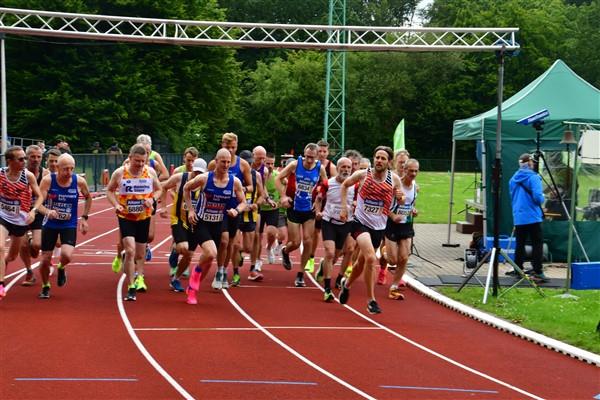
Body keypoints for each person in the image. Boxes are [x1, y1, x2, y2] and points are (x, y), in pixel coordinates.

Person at [338, 146, 404, 314]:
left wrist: (400, 198)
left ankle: (346, 285)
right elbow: (345, 185)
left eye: (383, 158)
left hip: (379, 226)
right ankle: (371, 300)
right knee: (370, 258)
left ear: (389, 162)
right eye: (377, 157)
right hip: (359, 222)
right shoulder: (363, 174)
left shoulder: (394, 179)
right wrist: (344, 208)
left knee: (361, 263)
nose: (379, 161)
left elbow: (402, 199)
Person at [183, 148, 246, 305]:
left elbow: (244, 202)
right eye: (222, 161)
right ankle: (193, 285)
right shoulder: (205, 178)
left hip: (219, 222)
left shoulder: (234, 182)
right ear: (216, 162)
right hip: (201, 222)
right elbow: (186, 188)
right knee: (211, 253)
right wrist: (191, 209)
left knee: (210, 260)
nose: (225, 164)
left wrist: (236, 210)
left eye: (228, 162)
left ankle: (192, 287)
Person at [106, 144, 162, 301]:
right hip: (126, 217)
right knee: (130, 251)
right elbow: (109, 190)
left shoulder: (150, 172)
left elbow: (159, 189)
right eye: (137, 161)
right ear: (130, 158)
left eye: (143, 161)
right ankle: (131, 287)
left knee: (140, 253)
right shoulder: (120, 173)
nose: (140, 164)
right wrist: (116, 205)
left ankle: (140, 276)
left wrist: (152, 199)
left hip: (144, 216)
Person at [36, 154, 92, 299]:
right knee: (45, 260)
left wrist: (84, 218)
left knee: (67, 255)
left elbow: (88, 197)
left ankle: (61, 267)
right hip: (50, 223)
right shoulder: (48, 181)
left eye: (72, 169)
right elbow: (39, 204)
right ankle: (45, 286)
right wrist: (48, 211)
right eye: (65, 169)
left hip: (69, 223)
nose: (69, 172)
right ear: (57, 168)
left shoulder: (79, 181)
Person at [276, 143, 328, 287]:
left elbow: (325, 186)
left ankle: (300, 274)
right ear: (304, 154)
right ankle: (285, 251)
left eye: (312, 157)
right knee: (296, 242)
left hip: (309, 210)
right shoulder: (295, 164)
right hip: (294, 207)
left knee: (308, 241)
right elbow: (278, 178)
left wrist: (318, 199)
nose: (309, 160)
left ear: (317, 156)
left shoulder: (320, 168)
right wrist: (283, 196)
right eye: (307, 157)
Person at [207, 132, 253, 290]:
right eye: (228, 147)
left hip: (235, 208)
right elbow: (207, 183)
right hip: (219, 209)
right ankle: (219, 271)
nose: (231, 150)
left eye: (233, 147)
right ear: (222, 146)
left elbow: (251, 186)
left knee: (232, 244)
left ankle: (223, 270)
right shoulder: (214, 164)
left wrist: (237, 188)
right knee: (224, 241)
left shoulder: (242, 165)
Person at [0, 146, 45, 299]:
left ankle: (3, 267)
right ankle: (1, 284)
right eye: (20, 159)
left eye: (24, 158)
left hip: (20, 220)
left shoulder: (28, 176)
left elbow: (40, 197)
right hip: (3, 216)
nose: (24, 162)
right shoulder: (1, 174)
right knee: (0, 247)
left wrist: (33, 211)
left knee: (11, 256)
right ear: (9, 161)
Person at [160, 157, 207, 292]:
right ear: (192, 169)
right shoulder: (180, 177)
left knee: (189, 255)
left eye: (201, 173)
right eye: (196, 172)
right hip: (178, 218)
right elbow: (164, 187)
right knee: (184, 247)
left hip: (194, 221)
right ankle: (176, 250)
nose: (197, 175)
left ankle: (175, 279)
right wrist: (163, 207)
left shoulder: (205, 182)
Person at [314, 157, 355, 302]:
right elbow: (319, 199)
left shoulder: (354, 185)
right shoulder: (328, 184)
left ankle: (323, 267)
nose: (345, 170)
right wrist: (318, 212)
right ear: (337, 168)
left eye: (348, 168)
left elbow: (358, 202)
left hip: (346, 224)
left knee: (336, 256)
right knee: (330, 254)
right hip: (329, 222)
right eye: (342, 167)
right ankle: (327, 289)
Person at [508, 153, 547, 282]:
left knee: (520, 243)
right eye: (532, 161)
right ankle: (537, 271)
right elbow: (537, 198)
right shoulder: (534, 178)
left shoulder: (513, 179)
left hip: (519, 216)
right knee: (537, 243)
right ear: (529, 163)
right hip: (532, 216)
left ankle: (518, 269)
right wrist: (543, 197)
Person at [385, 158, 420, 300]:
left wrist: (413, 210)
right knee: (392, 261)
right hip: (392, 224)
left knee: (404, 257)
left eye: (415, 171)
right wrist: (393, 216)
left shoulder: (415, 187)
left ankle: (393, 287)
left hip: (406, 225)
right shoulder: (395, 185)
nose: (413, 173)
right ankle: (384, 253)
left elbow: (411, 203)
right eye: (410, 170)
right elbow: (384, 206)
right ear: (404, 170)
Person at [232, 150, 266, 284]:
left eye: (251, 162)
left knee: (248, 248)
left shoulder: (255, 175)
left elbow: (262, 195)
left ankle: (240, 253)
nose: (251, 165)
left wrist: (255, 205)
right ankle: (236, 273)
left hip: (249, 214)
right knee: (234, 244)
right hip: (235, 211)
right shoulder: (233, 175)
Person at [305, 139, 338, 274]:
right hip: (309, 201)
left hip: (325, 204)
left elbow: (336, 185)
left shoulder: (331, 167)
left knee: (323, 233)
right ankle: (311, 258)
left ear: (328, 152)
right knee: (313, 233)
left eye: (325, 151)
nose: (322, 154)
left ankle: (323, 259)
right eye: (320, 151)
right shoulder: (311, 164)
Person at [19, 145, 50, 286]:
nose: (35, 159)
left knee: (36, 246)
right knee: (23, 245)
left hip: (38, 211)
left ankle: (33, 241)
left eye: (38, 157)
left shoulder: (46, 174)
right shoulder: (21, 173)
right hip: (21, 212)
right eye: (32, 156)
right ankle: (29, 272)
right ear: (26, 158)